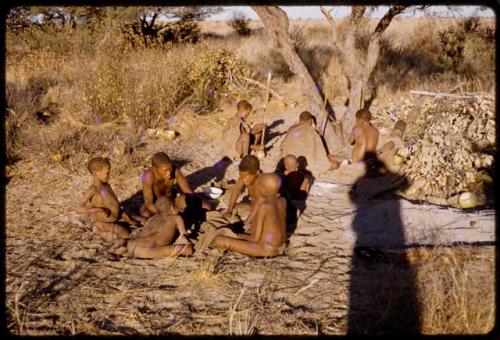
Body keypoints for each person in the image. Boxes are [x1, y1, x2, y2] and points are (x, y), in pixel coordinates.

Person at [211, 173, 286, 257]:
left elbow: (255, 239)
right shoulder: (282, 201)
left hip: (266, 249)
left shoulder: (264, 206)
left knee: (219, 240)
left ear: (263, 189)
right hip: (280, 245)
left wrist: (236, 235)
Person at [76, 157, 132, 241]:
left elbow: (113, 203)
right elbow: (78, 208)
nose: (108, 175)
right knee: (126, 235)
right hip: (104, 222)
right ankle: (99, 231)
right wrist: (97, 209)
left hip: (116, 219)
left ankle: (105, 231)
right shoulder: (93, 189)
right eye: (107, 173)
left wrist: (126, 217)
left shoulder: (106, 185)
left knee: (140, 223)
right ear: (95, 173)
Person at [119, 197, 193, 258]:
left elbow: (145, 228)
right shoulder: (177, 218)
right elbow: (183, 236)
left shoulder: (153, 218)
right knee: (188, 249)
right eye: (177, 206)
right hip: (148, 250)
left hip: (132, 244)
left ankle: (125, 251)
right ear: (173, 207)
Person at [139, 152, 193, 219]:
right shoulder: (147, 176)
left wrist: (191, 202)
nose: (169, 173)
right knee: (145, 213)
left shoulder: (175, 170)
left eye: (170, 169)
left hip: (172, 200)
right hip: (158, 205)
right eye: (165, 170)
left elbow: (186, 190)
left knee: (207, 206)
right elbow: (149, 203)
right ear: (155, 168)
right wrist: (165, 214)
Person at [280, 111, 332, 175]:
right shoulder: (311, 130)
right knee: (334, 164)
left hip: (289, 161)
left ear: (299, 119)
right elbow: (319, 151)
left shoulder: (291, 128)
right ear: (310, 120)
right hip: (306, 162)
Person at [223, 155, 262, 221]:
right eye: (241, 176)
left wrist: (247, 221)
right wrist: (229, 210)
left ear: (257, 173)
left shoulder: (262, 182)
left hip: (262, 209)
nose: (243, 180)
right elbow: (237, 190)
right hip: (253, 205)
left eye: (246, 177)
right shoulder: (245, 177)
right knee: (234, 207)